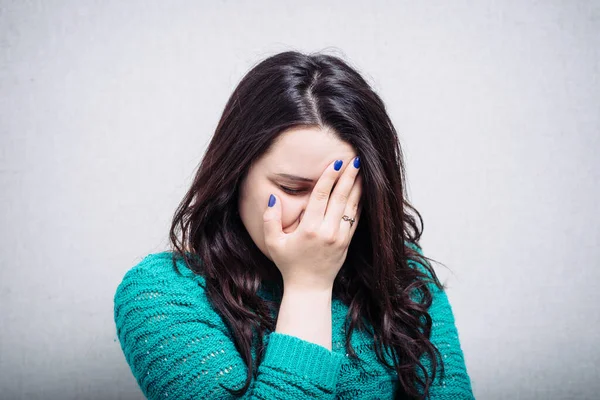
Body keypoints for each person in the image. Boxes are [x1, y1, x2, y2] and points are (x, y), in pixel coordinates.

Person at [113, 50, 475, 399]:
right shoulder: (163, 295)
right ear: (235, 176)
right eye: (292, 188)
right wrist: (308, 286)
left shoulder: (402, 273)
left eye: (339, 191)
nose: (316, 215)